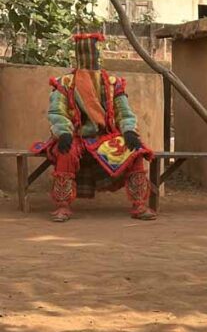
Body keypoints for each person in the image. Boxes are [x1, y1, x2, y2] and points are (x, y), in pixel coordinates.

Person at [32, 32, 156, 222]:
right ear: (78, 57)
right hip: (76, 135)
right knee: (67, 153)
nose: (91, 59)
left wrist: (129, 130)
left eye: (93, 55)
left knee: (135, 151)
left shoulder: (113, 83)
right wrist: (64, 133)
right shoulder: (65, 83)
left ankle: (139, 205)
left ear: (98, 56)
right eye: (86, 55)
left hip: (106, 135)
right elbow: (57, 112)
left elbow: (124, 111)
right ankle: (63, 206)